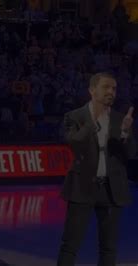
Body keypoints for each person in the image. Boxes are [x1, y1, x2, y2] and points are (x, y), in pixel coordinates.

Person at [57, 72, 136, 266]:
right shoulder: (74, 116)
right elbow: (73, 143)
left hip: (111, 190)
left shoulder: (121, 119)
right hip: (82, 187)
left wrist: (126, 132)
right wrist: (94, 121)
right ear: (92, 90)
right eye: (106, 87)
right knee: (70, 245)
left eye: (114, 88)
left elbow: (132, 154)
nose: (111, 92)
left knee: (108, 247)